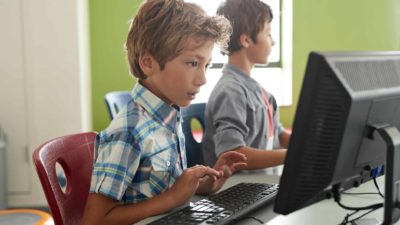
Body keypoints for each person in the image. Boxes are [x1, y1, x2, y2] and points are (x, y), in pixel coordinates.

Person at [83, 1, 246, 224]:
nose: (202, 79)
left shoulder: (168, 114)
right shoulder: (129, 132)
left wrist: (204, 185)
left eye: (206, 65)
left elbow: (163, 187)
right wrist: (171, 198)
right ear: (148, 63)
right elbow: (94, 220)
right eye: (192, 63)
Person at [202, 0, 291, 170]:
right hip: (235, 189)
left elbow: (277, 134)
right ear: (246, 40)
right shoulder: (230, 91)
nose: (273, 42)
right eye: (268, 33)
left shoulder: (261, 91)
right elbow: (233, 155)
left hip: (261, 183)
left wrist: (311, 147)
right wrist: (293, 155)